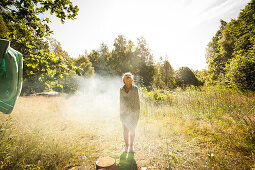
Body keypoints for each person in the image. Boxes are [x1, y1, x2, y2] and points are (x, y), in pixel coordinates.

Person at [120, 72, 140, 153]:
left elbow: (135, 100)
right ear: (124, 80)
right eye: (126, 76)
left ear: (132, 80)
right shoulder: (121, 89)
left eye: (129, 76)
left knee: (132, 129)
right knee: (125, 130)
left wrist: (130, 109)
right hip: (124, 112)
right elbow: (121, 100)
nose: (128, 77)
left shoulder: (135, 89)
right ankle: (126, 146)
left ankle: (131, 146)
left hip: (134, 111)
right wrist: (125, 109)